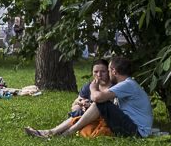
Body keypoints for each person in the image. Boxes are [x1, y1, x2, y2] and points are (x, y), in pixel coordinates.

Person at [25, 56, 153, 138]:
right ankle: (51, 132)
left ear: (114, 71)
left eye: (107, 70)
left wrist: (93, 87)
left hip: (137, 132)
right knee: (90, 108)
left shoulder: (127, 84)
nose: (106, 73)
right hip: (131, 127)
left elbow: (98, 98)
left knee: (100, 103)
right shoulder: (127, 84)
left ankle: (67, 132)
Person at [23, 60, 112, 138]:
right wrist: (81, 103)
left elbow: (111, 106)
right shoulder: (89, 86)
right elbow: (74, 106)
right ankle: (52, 132)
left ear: (108, 72)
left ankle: (52, 132)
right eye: (95, 72)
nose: (99, 75)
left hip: (103, 119)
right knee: (78, 110)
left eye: (103, 71)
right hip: (84, 116)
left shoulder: (113, 87)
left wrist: (90, 105)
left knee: (84, 111)